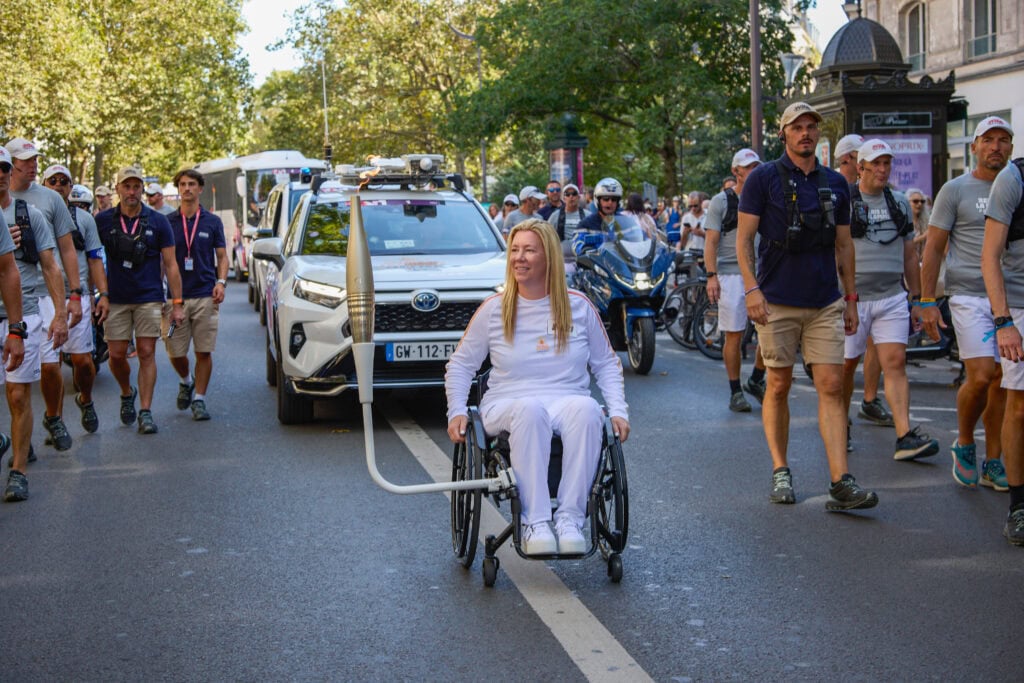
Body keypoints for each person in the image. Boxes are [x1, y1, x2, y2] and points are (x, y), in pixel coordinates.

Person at [445, 219, 629, 554]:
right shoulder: (493, 309)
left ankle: (571, 519)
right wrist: (457, 410)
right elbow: (460, 365)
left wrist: (617, 411)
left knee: (589, 410)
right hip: (507, 402)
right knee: (530, 410)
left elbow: (606, 364)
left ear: (549, 257)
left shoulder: (578, 306)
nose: (519, 257)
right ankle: (535, 521)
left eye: (529, 250)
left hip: (566, 399)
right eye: (515, 250)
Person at [737, 101, 878, 511]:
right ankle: (781, 470)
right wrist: (751, 289)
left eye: (811, 126)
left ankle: (841, 480)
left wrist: (851, 299)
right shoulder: (762, 180)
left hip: (824, 302)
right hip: (776, 300)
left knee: (832, 386)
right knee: (777, 384)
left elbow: (844, 245)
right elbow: (745, 240)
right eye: (797, 127)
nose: (805, 133)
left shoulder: (835, 182)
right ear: (783, 134)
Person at [921, 116, 1013, 491]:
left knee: (1005, 382)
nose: (996, 146)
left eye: (1003, 140)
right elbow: (934, 248)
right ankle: (963, 441)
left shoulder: (1017, 187)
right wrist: (927, 300)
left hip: (1011, 297)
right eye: (988, 139)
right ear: (974, 147)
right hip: (969, 295)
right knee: (982, 375)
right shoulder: (955, 190)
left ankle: (994, 460)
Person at [841, 140, 938, 460]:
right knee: (845, 367)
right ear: (861, 167)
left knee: (895, 363)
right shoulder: (845, 200)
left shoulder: (898, 202)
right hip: (852, 299)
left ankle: (904, 435)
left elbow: (910, 256)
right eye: (876, 164)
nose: (883, 169)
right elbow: (835, 250)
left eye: (887, 163)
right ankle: (839, 425)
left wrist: (918, 298)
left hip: (892, 297)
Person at [95, 166, 186, 435]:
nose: (131, 191)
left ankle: (146, 411)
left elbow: (170, 265)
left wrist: (177, 303)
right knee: (115, 356)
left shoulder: (158, 221)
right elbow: (92, 259)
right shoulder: (103, 221)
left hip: (149, 296)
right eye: (127, 186)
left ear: (142, 190)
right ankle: (127, 392)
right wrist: (98, 293)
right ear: (118, 189)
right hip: (116, 298)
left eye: (136, 187)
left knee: (146, 352)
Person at [1, 147, 68, 502]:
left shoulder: (31, 213)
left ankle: (18, 470)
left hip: (23, 312)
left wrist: (61, 312)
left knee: (17, 393)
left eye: (3, 168)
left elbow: (52, 263)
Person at [42, 165, 110, 438]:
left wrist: (102, 295)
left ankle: (86, 399)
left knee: (82, 362)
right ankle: (54, 420)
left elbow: (95, 259)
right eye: (53, 180)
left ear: (71, 188)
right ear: (44, 184)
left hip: (76, 296)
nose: (58, 185)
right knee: (51, 364)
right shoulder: (32, 215)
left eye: (64, 181)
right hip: (42, 298)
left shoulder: (83, 219)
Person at [834, 133, 892, 431]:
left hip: (880, 290)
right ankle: (838, 419)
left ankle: (869, 399)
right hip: (845, 287)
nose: (872, 165)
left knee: (875, 345)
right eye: (863, 158)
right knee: (847, 358)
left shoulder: (882, 193)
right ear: (848, 160)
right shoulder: (834, 188)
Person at [980, 153, 1024, 545]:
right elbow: (989, 257)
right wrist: (1004, 321)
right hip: (1021, 307)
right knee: (1020, 406)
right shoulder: (1013, 178)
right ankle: (1018, 505)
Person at [704, 148, 767, 412]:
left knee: (771, 331)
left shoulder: (767, 197)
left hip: (762, 273)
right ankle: (735, 391)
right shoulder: (722, 201)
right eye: (748, 167)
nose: (753, 171)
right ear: (736, 171)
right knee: (734, 335)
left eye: (756, 166)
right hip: (730, 274)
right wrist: (712, 276)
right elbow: (711, 241)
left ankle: (756, 378)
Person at [165, 169, 227, 421]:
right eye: (182, 184)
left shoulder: (212, 221)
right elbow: (161, 260)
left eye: (192, 184)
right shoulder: (167, 222)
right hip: (174, 297)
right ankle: (185, 380)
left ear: (200, 189)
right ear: (178, 189)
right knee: (175, 351)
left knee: (203, 351)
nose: (187, 188)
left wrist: (221, 281)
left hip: (204, 293)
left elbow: (222, 256)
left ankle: (199, 400)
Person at [571, 177, 625, 255]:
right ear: (598, 201)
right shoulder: (586, 224)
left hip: (623, 265)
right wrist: (586, 250)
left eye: (614, 199)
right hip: (596, 265)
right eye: (606, 199)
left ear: (618, 202)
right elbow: (576, 244)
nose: (610, 203)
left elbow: (641, 239)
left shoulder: (625, 222)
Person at [905, 188, 930, 260]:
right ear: (907, 202)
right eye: (915, 201)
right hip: (908, 262)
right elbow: (904, 243)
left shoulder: (926, 222)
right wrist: (924, 236)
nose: (919, 204)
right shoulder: (903, 222)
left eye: (922, 201)